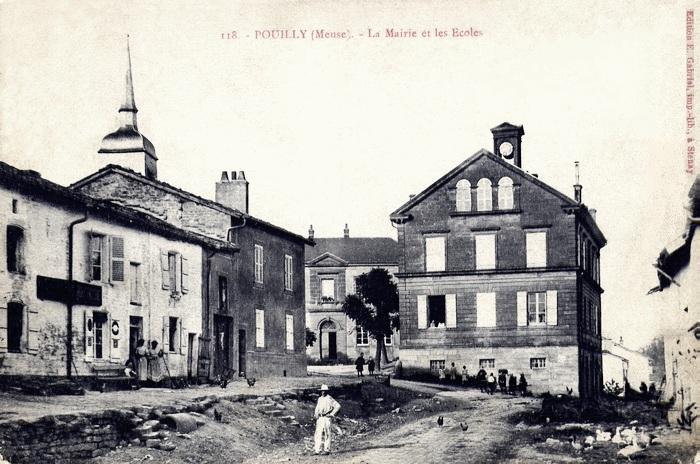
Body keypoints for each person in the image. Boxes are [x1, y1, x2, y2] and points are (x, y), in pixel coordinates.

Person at [313, 384, 341, 455]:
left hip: (326, 418)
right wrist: (316, 415)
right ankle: (317, 450)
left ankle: (327, 450)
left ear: (327, 391)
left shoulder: (329, 398)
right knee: (318, 434)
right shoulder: (320, 399)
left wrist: (332, 414)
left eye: (325, 391)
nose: (323, 392)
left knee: (327, 433)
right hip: (320, 418)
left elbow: (338, 406)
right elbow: (317, 408)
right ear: (321, 391)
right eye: (322, 391)